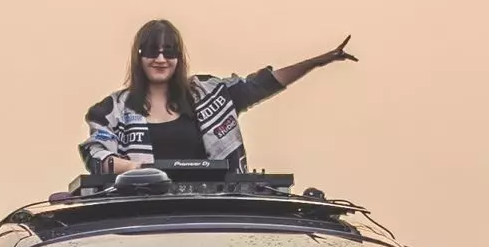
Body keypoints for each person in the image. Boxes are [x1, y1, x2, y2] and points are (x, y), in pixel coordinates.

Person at [79, 18, 358, 181]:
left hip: (213, 215)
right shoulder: (112, 110)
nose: (161, 59)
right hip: (144, 216)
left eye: (169, 51)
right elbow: (96, 154)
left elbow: (262, 84)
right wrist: (138, 169)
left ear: (179, 57)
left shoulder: (209, 94)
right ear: (138, 56)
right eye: (152, 51)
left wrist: (320, 60)